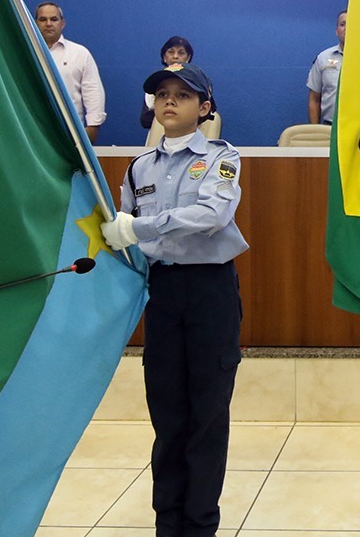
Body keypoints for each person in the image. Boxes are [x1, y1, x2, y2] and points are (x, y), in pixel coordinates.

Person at [100, 62, 247, 537]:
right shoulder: (139, 167)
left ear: (204, 108)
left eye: (182, 95)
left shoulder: (223, 157)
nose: (169, 101)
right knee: (166, 412)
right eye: (161, 93)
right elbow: (120, 224)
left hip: (210, 292)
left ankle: (201, 523)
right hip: (161, 292)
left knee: (206, 415)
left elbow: (211, 213)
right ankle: (168, 522)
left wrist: (137, 228)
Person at [34, 1, 106, 142]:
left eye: (54, 19)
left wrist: (92, 127)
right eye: (43, 19)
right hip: (32, 130)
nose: (48, 24)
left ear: (62, 23)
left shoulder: (79, 53)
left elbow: (93, 91)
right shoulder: (25, 52)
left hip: (70, 131)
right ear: (34, 22)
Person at [141, 36, 195, 130]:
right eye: (171, 52)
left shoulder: (196, 83)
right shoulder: (155, 82)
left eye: (181, 53)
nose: (175, 56)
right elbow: (145, 120)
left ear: (188, 57)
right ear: (164, 57)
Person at [307, 10, 346, 124]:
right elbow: (314, 99)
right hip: (329, 126)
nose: (347, 28)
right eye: (342, 24)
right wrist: (315, 131)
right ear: (336, 31)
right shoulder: (323, 58)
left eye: (352, 23)